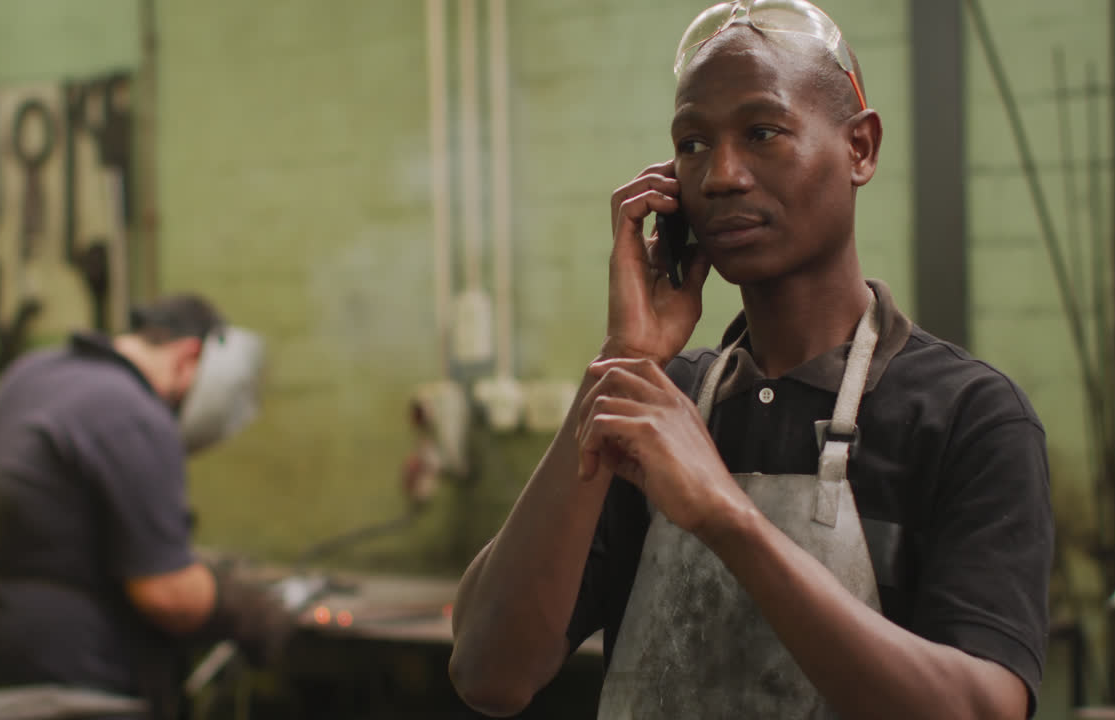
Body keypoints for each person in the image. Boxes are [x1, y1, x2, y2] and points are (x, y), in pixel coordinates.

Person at [448, 1, 1054, 719]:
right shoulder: (655, 407)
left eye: (762, 132)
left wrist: (725, 516)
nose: (721, 176)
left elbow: (981, 710)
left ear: (860, 148)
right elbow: (490, 672)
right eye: (693, 144)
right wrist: (623, 359)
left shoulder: (969, 420)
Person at [0, 293, 294, 719]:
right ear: (186, 358)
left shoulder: (33, 373)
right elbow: (169, 595)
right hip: (73, 686)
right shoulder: (132, 409)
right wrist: (246, 610)